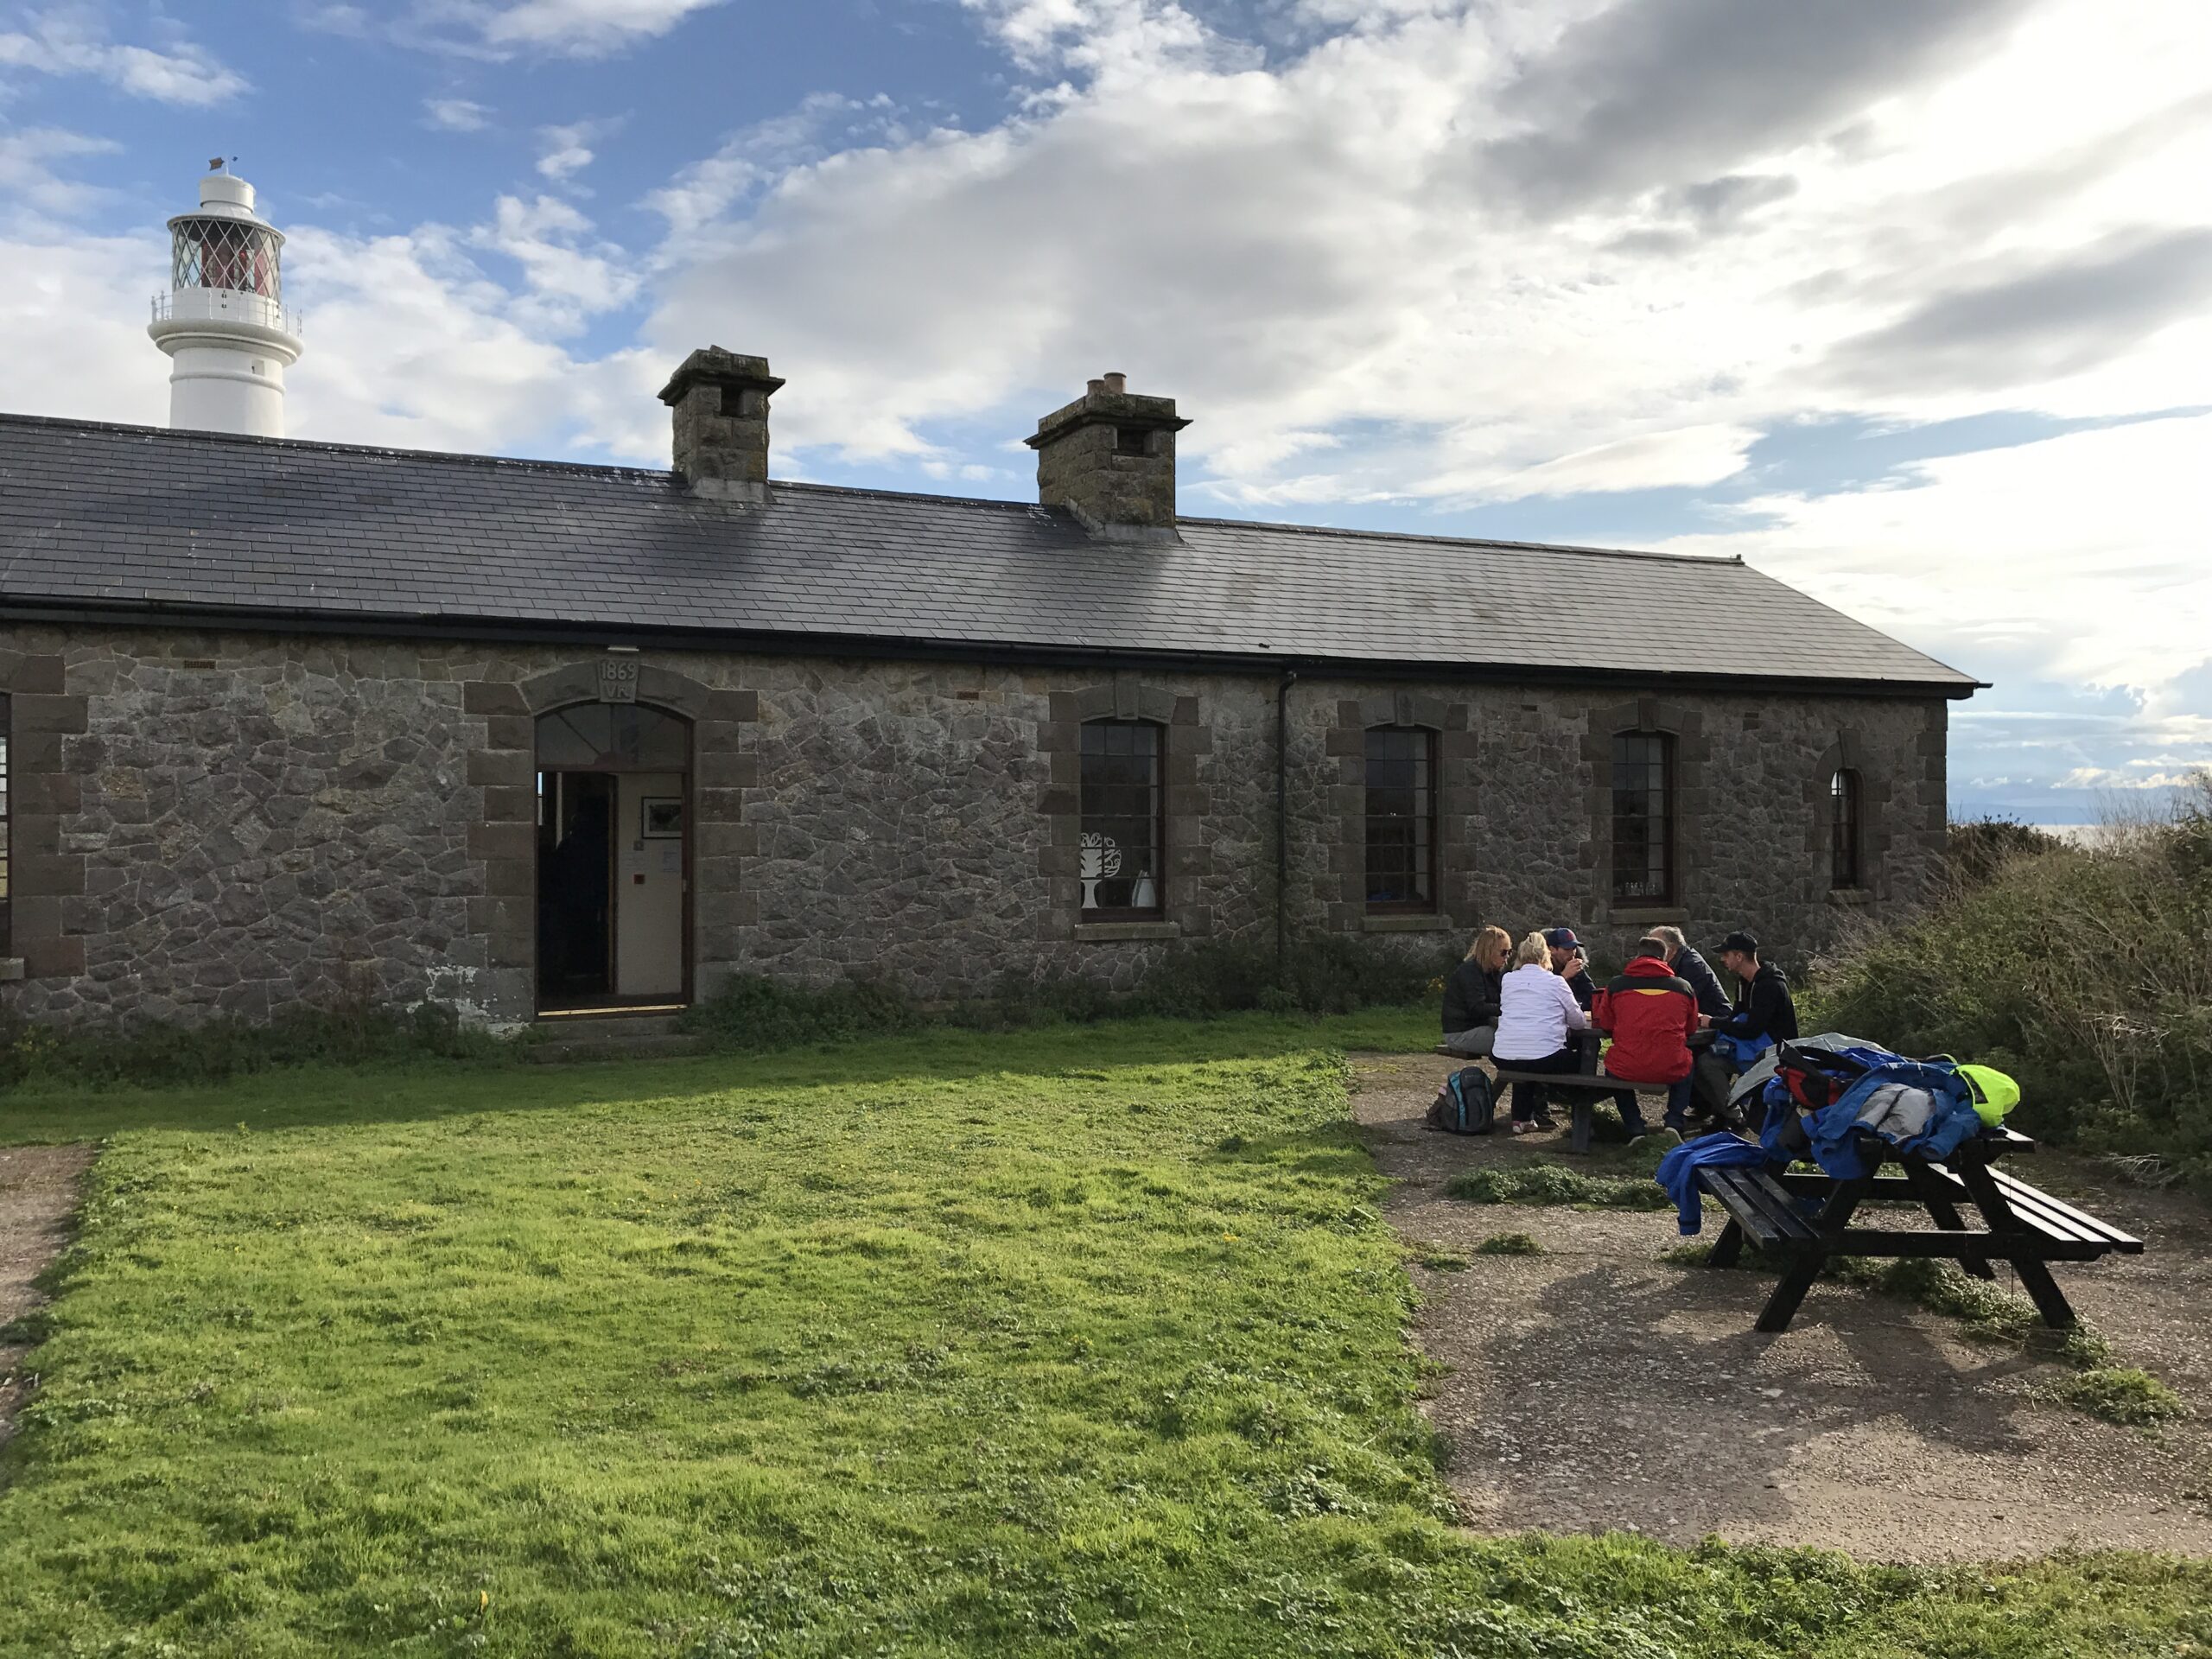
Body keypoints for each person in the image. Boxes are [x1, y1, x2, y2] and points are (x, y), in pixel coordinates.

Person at [1592, 937, 1700, 1136]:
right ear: (1664, 958)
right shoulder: (1683, 987)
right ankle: (1674, 1121)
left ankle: (1634, 1126)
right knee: (1687, 1064)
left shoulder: (1617, 985)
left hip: (1627, 1063)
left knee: (1613, 1071)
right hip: (1671, 1064)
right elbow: (1691, 1028)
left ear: (1638, 956)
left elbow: (1606, 1024)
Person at [1492, 930, 1590, 1134]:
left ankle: (1521, 1118)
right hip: (1543, 1058)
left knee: (1526, 1058)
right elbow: (1578, 1022)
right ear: (1547, 956)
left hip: (1503, 1056)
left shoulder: (1508, 980)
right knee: (1582, 1060)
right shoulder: (1556, 982)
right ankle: (1581, 1118)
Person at [1440, 925, 1511, 1058]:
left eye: (1509, 952)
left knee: (1522, 1035)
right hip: (1461, 1032)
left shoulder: (1496, 972)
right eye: (1503, 952)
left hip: (1482, 1025)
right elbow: (1478, 1007)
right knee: (1511, 1041)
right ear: (1489, 951)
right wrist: (1507, 1008)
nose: (1507, 957)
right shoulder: (1470, 972)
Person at [1649, 924, 1731, 1020]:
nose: (1650, 951)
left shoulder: (1692, 965)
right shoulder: (1673, 962)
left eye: (1655, 946)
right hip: (1697, 1019)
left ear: (1673, 948)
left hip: (1716, 1020)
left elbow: (1680, 1003)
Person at [1544, 926, 1597, 1009]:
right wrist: (1563, 977)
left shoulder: (1576, 968)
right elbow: (1543, 998)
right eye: (1567, 949)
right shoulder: (1542, 969)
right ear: (1552, 950)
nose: (1572, 954)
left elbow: (1594, 998)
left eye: (1574, 948)